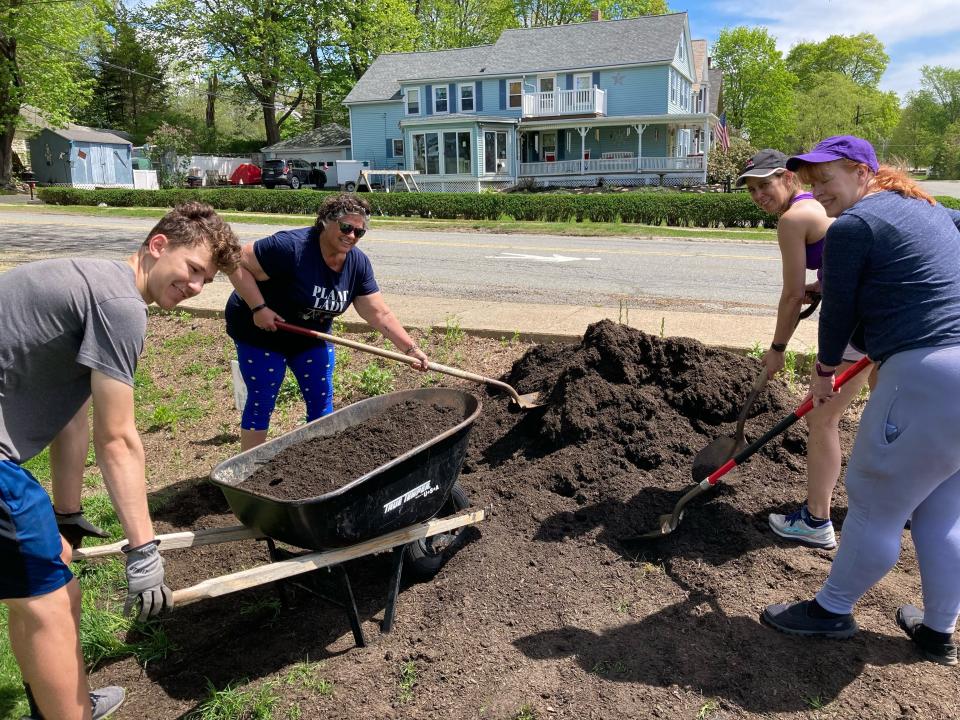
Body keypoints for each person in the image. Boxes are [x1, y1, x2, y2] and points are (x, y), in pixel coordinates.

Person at [0, 201, 241, 719]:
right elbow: (118, 439)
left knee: (47, 577)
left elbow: (74, 413)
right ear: (158, 247)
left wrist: (66, 514)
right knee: (48, 600)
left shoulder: (93, 282)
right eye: (193, 270)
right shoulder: (120, 304)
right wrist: (143, 550)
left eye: (207, 281)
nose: (196, 287)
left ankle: (67, 700)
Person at [761, 135, 960, 666]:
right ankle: (938, 628)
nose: (817, 190)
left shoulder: (855, 226)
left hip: (926, 374)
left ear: (861, 170)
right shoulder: (930, 208)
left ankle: (831, 610)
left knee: (874, 498)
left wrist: (824, 371)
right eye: (810, 181)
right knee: (941, 508)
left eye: (826, 178)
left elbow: (840, 312)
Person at [736, 150, 872, 549]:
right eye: (752, 189)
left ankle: (816, 520)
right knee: (887, 414)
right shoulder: (815, 206)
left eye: (765, 184)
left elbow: (792, 295)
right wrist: (827, 283)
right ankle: (909, 506)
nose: (759, 194)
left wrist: (777, 349)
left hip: (857, 326)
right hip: (881, 318)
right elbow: (845, 256)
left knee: (821, 420)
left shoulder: (793, 220)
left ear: (788, 178)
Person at [225, 193, 429, 451]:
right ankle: (246, 471)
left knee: (321, 400)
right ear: (325, 221)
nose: (352, 236)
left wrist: (410, 349)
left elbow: (378, 313)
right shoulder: (291, 247)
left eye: (359, 232)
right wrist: (259, 307)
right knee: (263, 398)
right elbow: (234, 261)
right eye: (346, 227)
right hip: (260, 331)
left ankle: (318, 462)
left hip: (310, 335)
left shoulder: (357, 264)